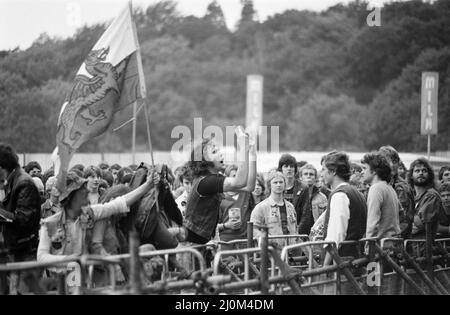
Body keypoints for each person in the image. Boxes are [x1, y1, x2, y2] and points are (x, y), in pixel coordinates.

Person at [37, 170, 159, 264]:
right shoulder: (49, 223)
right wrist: (69, 259)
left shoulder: (91, 213)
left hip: (86, 282)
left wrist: (148, 185)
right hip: (61, 284)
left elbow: (118, 203)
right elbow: (41, 257)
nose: (87, 194)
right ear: (71, 197)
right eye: (82, 192)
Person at [182, 127, 256, 245]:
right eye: (214, 152)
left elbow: (249, 186)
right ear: (204, 162)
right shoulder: (206, 181)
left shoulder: (213, 178)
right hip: (191, 246)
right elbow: (240, 182)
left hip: (200, 244)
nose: (220, 153)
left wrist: (251, 153)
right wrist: (243, 149)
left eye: (218, 150)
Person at [0, 144, 41, 294]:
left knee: (27, 292)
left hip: (25, 253)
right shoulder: (12, 181)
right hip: (16, 251)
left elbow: (24, 219)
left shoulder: (24, 183)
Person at [321, 152, 367, 264]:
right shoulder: (356, 192)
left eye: (323, 170)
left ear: (333, 171)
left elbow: (336, 235)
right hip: (357, 257)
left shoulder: (339, 195)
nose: (321, 174)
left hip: (343, 261)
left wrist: (325, 266)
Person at [250, 171, 297, 249]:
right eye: (275, 182)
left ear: (285, 184)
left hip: (292, 252)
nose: (278, 185)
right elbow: (253, 229)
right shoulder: (261, 207)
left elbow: (295, 229)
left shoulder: (290, 207)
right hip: (272, 253)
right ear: (269, 185)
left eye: (281, 182)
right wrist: (266, 239)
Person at [361, 152, 400, 239]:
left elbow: (372, 224)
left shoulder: (375, 189)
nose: (361, 172)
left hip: (380, 246)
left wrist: (368, 246)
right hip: (393, 243)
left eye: (364, 168)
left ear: (374, 171)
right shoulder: (389, 188)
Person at [379, 145, 415, 239]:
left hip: (397, 244)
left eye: (394, 161)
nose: (391, 165)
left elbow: (404, 222)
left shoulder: (401, 187)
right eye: (387, 161)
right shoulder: (381, 185)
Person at [217, 165, 255, 246]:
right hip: (226, 241)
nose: (238, 179)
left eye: (239, 176)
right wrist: (226, 225)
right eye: (234, 176)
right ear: (227, 178)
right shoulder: (219, 196)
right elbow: (213, 226)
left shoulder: (247, 193)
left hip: (245, 240)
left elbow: (253, 215)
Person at [408, 158, 443, 239]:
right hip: (409, 246)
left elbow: (417, 225)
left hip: (422, 248)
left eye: (424, 170)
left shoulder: (432, 196)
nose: (421, 173)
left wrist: (406, 221)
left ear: (429, 175)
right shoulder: (413, 197)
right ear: (411, 176)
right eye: (417, 171)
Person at [277, 154, 312, 234]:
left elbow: (305, 215)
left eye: (291, 166)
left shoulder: (303, 188)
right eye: (286, 166)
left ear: (295, 169)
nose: (289, 169)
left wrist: (296, 233)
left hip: (297, 229)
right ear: (281, 169)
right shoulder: (276, 186)